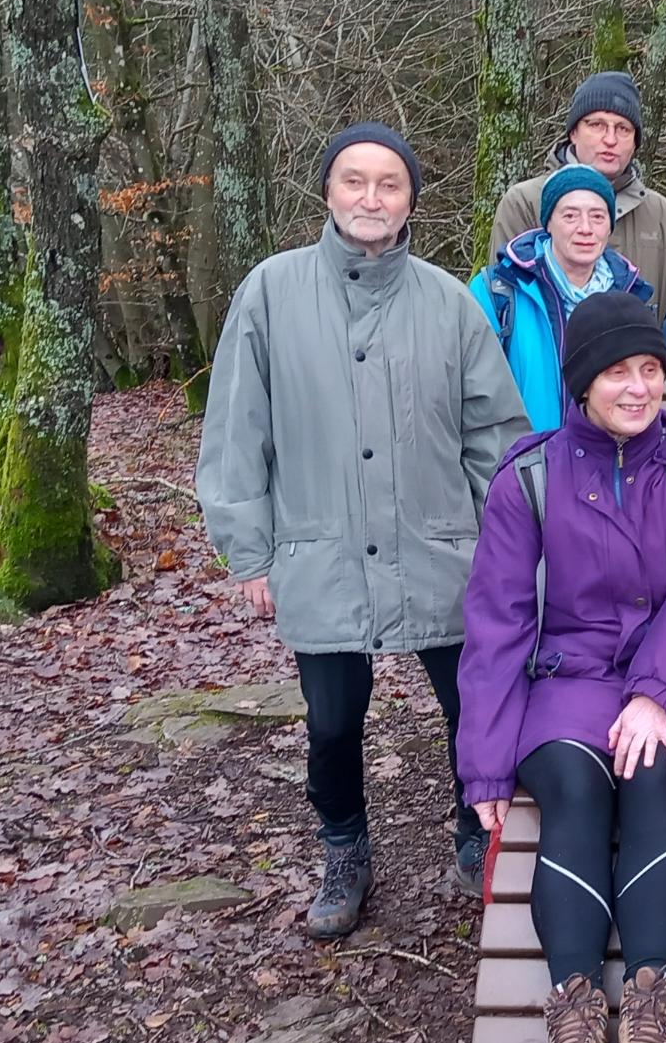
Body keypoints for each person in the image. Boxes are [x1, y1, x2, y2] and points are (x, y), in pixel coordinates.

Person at [197, 122, 529, 935]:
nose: (372, 197)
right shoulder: (271, 292)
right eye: (355, 180)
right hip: (321, 547)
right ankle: (344, 847)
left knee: (473, 705)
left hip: (443, 548)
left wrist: (506, 543)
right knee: (334, 719)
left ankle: (470, 835)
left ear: (412, 198)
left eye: (390, 183)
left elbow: (497, 434)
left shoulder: (449, 302)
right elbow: (237, 430)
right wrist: (248, 550)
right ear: (328, 190)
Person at [456, 293, 666, 1043]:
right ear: (583, 381)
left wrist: (656, 694)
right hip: (571, 680)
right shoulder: (531, 477)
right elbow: (498, 624)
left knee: (653, 775)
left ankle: (652, 1005)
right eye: (618, 370)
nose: (637, 386)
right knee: (575, 787)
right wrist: (484, 770)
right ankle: (575, 1011)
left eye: (650, 369)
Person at [468, 164, 655, 430]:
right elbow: (469, 392)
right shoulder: (497, 291)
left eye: (598, 217)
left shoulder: (631, 295)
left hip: (605, 464)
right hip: (521, 461)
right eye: (570, 216)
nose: (586, 229)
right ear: (549, 223)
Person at [489, 71, 666, 307]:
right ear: (573, 132)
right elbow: (502, 300)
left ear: (636, 142)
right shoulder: (524, 202)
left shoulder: (661, 215)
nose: (610, 139)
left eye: (623, 128)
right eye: (596, 125)